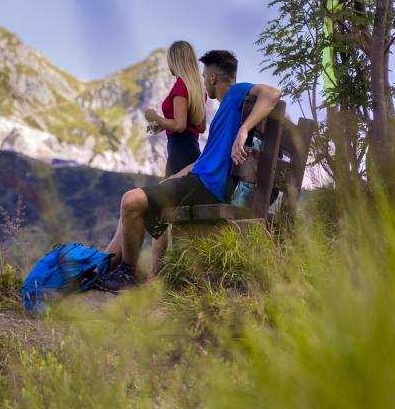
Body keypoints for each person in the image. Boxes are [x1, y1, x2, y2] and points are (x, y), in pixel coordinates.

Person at [97, 50, 282, 291]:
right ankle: (119, 270)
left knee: (130, 201)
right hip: (201, 181)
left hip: (206, 187)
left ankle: (126, 276)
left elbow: (273, 93)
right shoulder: (229, 108)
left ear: (214, 78)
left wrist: (244, 130)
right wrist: (176, 177)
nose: (204, 82)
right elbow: (206, 159)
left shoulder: (237, 93)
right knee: (144, 196)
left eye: (205, 77)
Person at [143, 41, 207, 279]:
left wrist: (155, 116)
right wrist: (161, 126)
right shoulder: (197, 88)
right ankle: (160, 272)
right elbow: (197, 126)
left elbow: (179, 125)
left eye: (170, 59)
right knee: (169, 209)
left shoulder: (180, 85)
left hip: (179, 153)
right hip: (190, 149)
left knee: (161, 208)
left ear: (176, 60)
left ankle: (154, 274)